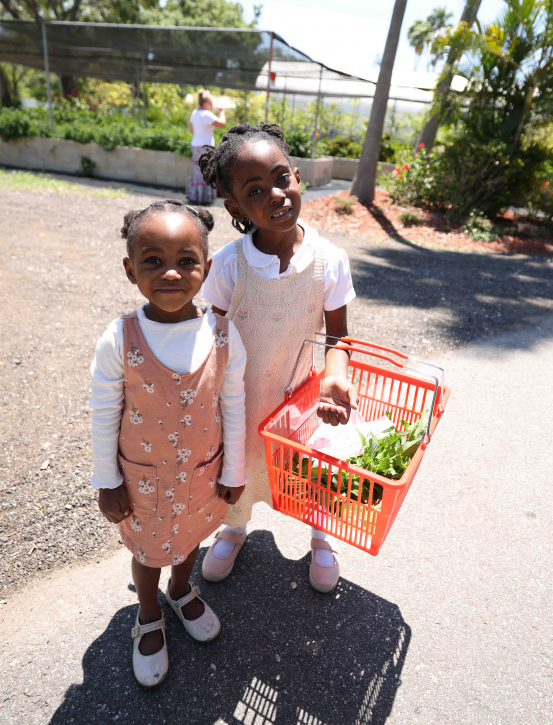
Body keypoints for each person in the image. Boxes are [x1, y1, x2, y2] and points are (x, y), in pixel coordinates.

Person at [89, 199, 246, 687]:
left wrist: (234, 469)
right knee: (147, 550)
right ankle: (149, 610)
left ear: (207, 268)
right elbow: (103, 412)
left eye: (186, 260)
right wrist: (107, 481)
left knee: (191, 536)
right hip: (142, 481)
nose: (171, 273)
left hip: (202, 473)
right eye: (153, 260)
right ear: (130, 269)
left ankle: (181, 590)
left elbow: (233, 404)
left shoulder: (225, 335)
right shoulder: (120, 338)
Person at [198, 123, 358, 594]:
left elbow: (339, 336)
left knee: (309, 471)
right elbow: (211, 336)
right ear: (235, 208)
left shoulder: (330, 260)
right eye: (254, 191)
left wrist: (335, 375)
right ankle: (234, 529)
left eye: (281, 178)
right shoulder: (228, 265)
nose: (275, 194)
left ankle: (321, 535)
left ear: (298, 176)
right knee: (241, 467)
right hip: (241, 401)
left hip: (299, 397)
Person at [186, 89, 226, 206]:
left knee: (197, 170)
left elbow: (191, 130)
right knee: (206, 170)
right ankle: (205, 197)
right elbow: (221, 123)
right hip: (205, 147)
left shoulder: (195, 112)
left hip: (195, 145)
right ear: (206, 103)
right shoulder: (206, 114)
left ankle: (194, 195)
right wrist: (221, 112)